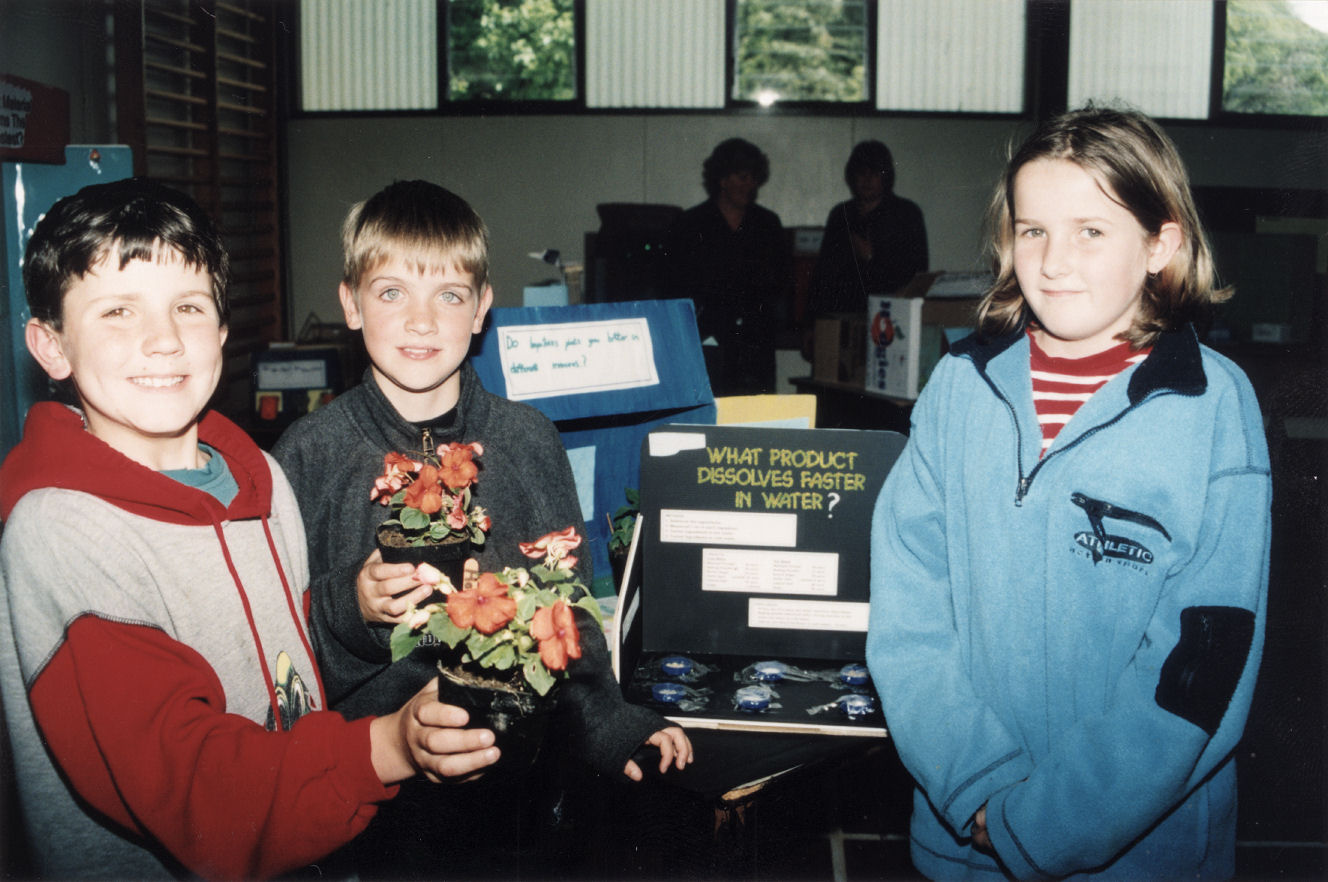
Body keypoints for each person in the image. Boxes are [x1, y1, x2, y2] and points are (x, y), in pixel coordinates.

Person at [0, 178, 499, 880]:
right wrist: (387, 747)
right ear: (50, 347)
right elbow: (197, 784)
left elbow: (293, 680)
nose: (164, 341)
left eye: (189, 307)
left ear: (224, 331)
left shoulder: (261, 483)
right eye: (117, 311)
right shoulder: (61, 530)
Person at [866, 106, 1270, 880]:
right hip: (965, 836)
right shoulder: (960, 386)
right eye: (1032, 230)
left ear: (1162, 244)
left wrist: (1050, 821)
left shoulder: (1213, 407)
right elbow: (910, 612)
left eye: (1092, 230)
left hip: (1139, 851)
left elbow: (1202, 663)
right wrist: (979, 789)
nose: (1054, 262)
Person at [272, 179, 692, 879]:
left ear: (482, 310)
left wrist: (610, 724)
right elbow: (282, 660)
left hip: (517, 797)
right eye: (391, 293)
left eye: (450, 296)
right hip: (376, 805)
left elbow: (566, 618)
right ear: (349, 302)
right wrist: (355, 603)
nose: (421, 321)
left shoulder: (529, 441)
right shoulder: (308, 455)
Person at [664, 137, 792, 395]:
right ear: (722, 179)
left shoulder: (768, 224)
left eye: (754, 178)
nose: (750, 185)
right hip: (708, 343)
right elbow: (675, 286)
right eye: (742, 177)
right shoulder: (690, 224)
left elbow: (781, 283)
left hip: (756, 345)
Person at [805, 139, 928, 322]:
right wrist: (811, 323)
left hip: (891, 317)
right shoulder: (841, 214)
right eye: (861, 173)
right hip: (843, 316)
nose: (867, 179)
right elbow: (823, 275)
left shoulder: (906, 214)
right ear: (851, 177)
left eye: (875, 173)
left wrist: (872, 258)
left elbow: (917, 274)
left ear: (886, 177)